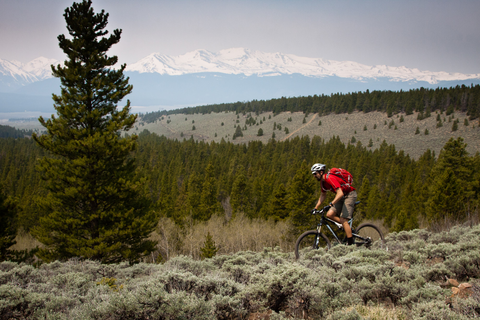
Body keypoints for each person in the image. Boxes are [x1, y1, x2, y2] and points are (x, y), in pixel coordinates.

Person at [311, 163, 357, 245]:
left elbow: (340, 193)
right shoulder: (323, 182)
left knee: (343, 219)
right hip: (342, 197)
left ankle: (351, 244)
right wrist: (316, 208)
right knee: (329, 214)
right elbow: (323, 195)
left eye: (315, 173)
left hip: (350, 194)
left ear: (321, 172)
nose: (314, 176)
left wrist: (330, 204)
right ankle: (347, 228)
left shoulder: (330, 178)